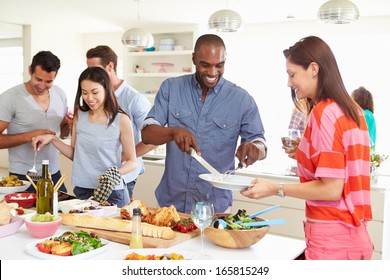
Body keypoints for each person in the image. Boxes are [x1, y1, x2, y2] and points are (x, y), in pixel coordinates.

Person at [241, 36, 374, 260]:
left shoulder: (325, 112)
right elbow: (344, 166)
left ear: (313, 68)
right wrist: (304, 154)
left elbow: (331, 189)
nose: (289, 83)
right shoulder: (354, 111)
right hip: (355, 238)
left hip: (332, 239)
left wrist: (275, 188)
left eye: (292, 74)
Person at [141, 34, 267, 214]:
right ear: (193, 59)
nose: (212, 72)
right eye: (205, 65)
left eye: (219, 65)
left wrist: (255, 147)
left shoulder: (242, 100)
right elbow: (147, 133)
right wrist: (173, 132)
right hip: (171, 204)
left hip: (216, 206)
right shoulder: (171, 88)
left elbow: (260, 142)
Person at [32, 67, 137, 207]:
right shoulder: (79, 115)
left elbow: (132, 162)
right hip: (83, 189)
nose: (89, 98)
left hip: (112, 193)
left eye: (95, 92)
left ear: (106, 89)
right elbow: (75, 154)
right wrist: (52, 139)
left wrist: (113, 175)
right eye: (84, 93)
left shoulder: (121, 120)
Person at [86, 45, 155, 201]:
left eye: (95, 69)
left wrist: (123, 156)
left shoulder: (134, 99)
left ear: (110, 67)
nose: (90, 75)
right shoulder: (93, 97)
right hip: (95, 174)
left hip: (124, 175)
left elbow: (153, 140)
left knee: (120, 219)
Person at [0, 51, 68, 193]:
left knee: (61, 213)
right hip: (22, 176)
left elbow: (61, 132)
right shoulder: (9, 98)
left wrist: (70, 125)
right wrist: (30, 135)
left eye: (48, 81)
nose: (42, 86)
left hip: (53, 174)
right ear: (30, 70)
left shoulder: (60, 94)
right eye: (38, 79)